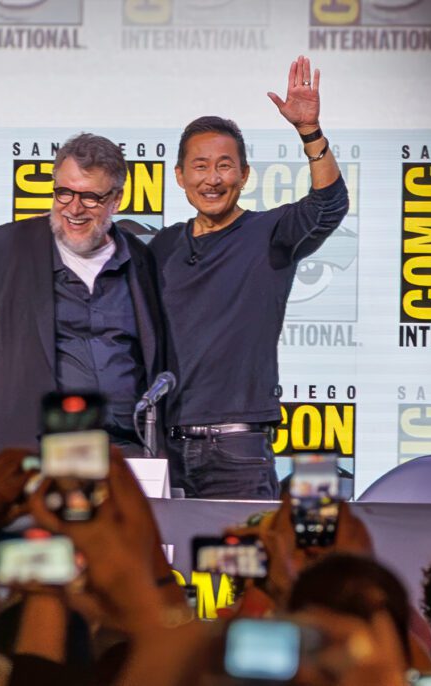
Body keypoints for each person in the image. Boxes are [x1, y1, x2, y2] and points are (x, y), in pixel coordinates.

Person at [148, 56, 350, 499]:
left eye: (225, 166)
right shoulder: (160, 248)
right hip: (164, 445)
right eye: (200, 166)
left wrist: (309, 132)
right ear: (180, 176)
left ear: (244, 174)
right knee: (167, 566)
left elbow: (329, 205)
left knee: (247, 567)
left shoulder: (270, 235)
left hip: (239, 448)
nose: (213, 178)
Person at [0, 133, 162, 469]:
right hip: (20, 454)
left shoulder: (141, 259)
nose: (74, 208)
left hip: (118, 456)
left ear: (116, 200)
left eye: (90, 197)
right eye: (64, 192)